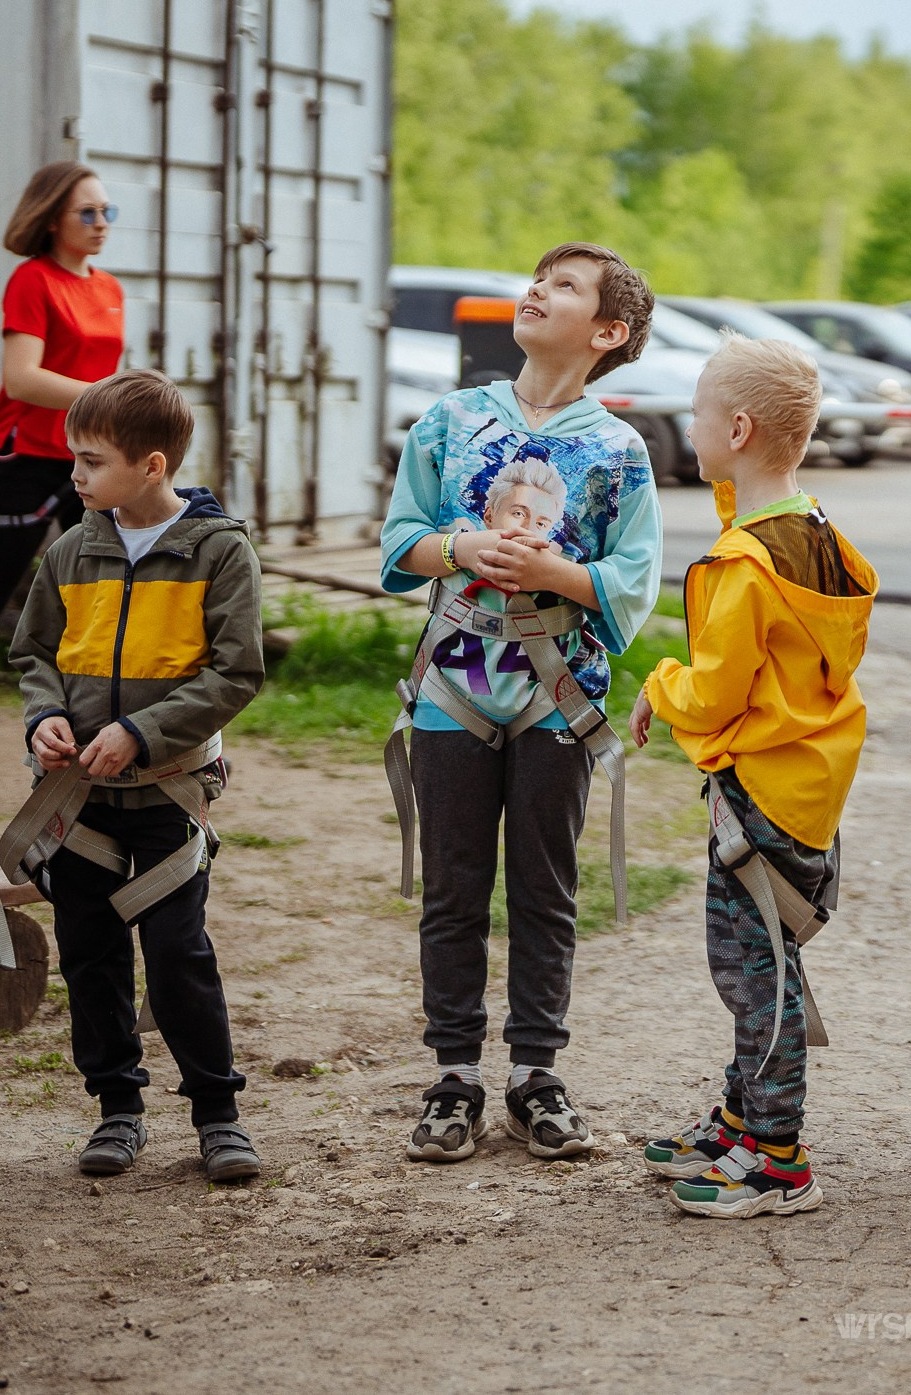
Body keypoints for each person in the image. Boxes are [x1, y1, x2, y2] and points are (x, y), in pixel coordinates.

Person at [380, 243, 663, 1164]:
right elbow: (401, 540)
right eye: (538, 278)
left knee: (545, 888)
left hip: (558, 697)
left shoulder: (619, 449)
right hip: (451, 691)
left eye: (565, 285)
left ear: (608, 332)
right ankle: (454, 1075)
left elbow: (633, 579)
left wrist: (556, 573)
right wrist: (461, 549)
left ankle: (536, 1074)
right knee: (454, 888)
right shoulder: (451, 420)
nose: (538, 289)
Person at [629, 337, 877, 1219]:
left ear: (736, 429)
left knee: (754, 976)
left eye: (697, 413)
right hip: (808, 788)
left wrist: (660, 683)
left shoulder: (744, 564)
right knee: (767, 961)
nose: (690, 426)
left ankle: (777, 1157)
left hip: (758, 796)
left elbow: (714, 691)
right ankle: (740, 1121)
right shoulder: (820, 536)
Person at [6, 369, 265, 1182]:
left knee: (178, 951)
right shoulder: (69, 551)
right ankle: (117, 1108)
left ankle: (218, 1116)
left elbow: (236, 671)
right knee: (88, 952)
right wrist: (44, 716)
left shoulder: (219, 550)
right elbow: (34, 653)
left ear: (152, 466)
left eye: (92, 461)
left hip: (168, 793)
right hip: (79, 800)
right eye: (74, 459)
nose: (75, 475)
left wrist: (140, 733)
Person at [0, 162, 127, 615]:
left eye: (107, 211)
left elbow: (104, 371)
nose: (101, 223)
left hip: (89, 455)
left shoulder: (111, 289)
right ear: (53, 219)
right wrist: (107, 399)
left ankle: (92, 661)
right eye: (87, 213)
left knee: (105, 585)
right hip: (25, 458)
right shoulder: (32, 280)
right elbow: (21, 379)